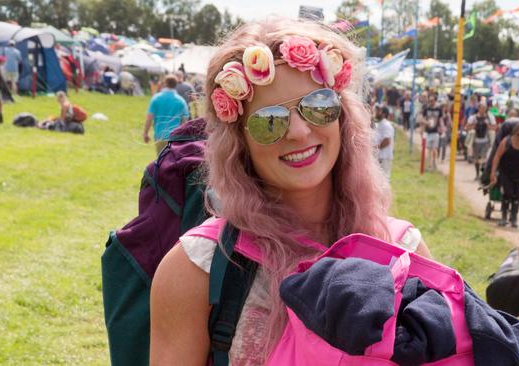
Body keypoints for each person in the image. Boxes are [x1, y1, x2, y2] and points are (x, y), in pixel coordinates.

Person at [149, 18, 432, 365]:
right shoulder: (196, 270)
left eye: (318, 106)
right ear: (240, 143)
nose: (299, 132)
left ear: (342, 118)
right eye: (269, 120)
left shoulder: (404, 251)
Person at [490, 122, 519, 227]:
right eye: (518, 133)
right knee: (507, 193)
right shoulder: (507, 141)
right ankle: (504, 217)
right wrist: (493, 172)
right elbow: (497, 156)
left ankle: (514, 218)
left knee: (516, 196)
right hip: (506, 172)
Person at [142, 75, 189, 154]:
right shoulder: (181, 101)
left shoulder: (156, 98)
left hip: (160, 135)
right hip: (175, 137)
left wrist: (145, 133)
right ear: (176, 84)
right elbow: (184, 121)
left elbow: (149, 118)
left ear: (165, 83)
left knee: (161, 162)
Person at [466, 103, 494, 180]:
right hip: (476, 141)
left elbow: (494, 127)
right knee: (476, 159)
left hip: (485, 141)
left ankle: (482, 174)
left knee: (483, 159)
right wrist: (473, 126)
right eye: (481, 108)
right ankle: (477, 174)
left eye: (484, 108)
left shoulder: (489, 117)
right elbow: (467, 127)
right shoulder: (473, 117)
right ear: (479, 108)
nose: (483, 110)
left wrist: (488, 125)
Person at [419, 94, 442, 171]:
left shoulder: (439, 109)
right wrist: (426, 122)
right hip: (428, 132)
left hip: (435, 132)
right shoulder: (426, 109)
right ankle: (429, 165)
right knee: (429, 149)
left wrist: (442, 127)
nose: (431, 102)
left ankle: (434, 162)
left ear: (435, 101)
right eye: (430, 101)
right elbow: (421, 119)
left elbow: (441, 119)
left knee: (434, 149)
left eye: (432, 101)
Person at [374, 106, 395, 181]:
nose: (376, 112)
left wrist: (374, 148)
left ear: (384, 114)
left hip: (384, 157)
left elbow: (387, 141)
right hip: (379, 157)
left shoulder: (387, 125)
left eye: (379, 111)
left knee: (384, 180)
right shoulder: (379, 124)